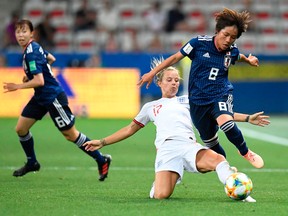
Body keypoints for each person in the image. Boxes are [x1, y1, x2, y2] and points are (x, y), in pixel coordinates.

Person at [83, 58, 270, 201]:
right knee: (161, 196)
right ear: (159, 82)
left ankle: (241, 192)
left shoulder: (189, 99)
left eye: (176, 80)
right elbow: (130, 129)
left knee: (220, 160)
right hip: (167, 150)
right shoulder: (151, 107)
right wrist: (102, 141)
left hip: (189, 146)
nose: (174, 83)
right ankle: (161, 182)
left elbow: (219, 112)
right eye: (169, 80)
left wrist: (247, 118)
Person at [138, 8, 264, 169]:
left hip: (220, 94)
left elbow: (238, 56)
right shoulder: (198, 43)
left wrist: (249, 60)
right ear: (217, 31)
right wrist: (152, 73)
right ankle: (226, 169)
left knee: (226, 123)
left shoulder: (232, 51)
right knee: (211, 144)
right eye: (226, 35)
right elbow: (175, 57)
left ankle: (245, 152)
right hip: (197, 102)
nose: (228, 40)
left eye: (233, 38)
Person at [2, 19, 111, 181]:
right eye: (18, 32)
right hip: (41, 97)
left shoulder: (31, 53)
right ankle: (32, 162)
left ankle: (102, 159)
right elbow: (51, 58)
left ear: (32, 33)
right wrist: (33, 74)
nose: (20, 35)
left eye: (24, 31)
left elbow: (40, 81)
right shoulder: (34, 47)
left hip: (53, 97)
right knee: (20, 128)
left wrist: (17, 86)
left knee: (70, 134)